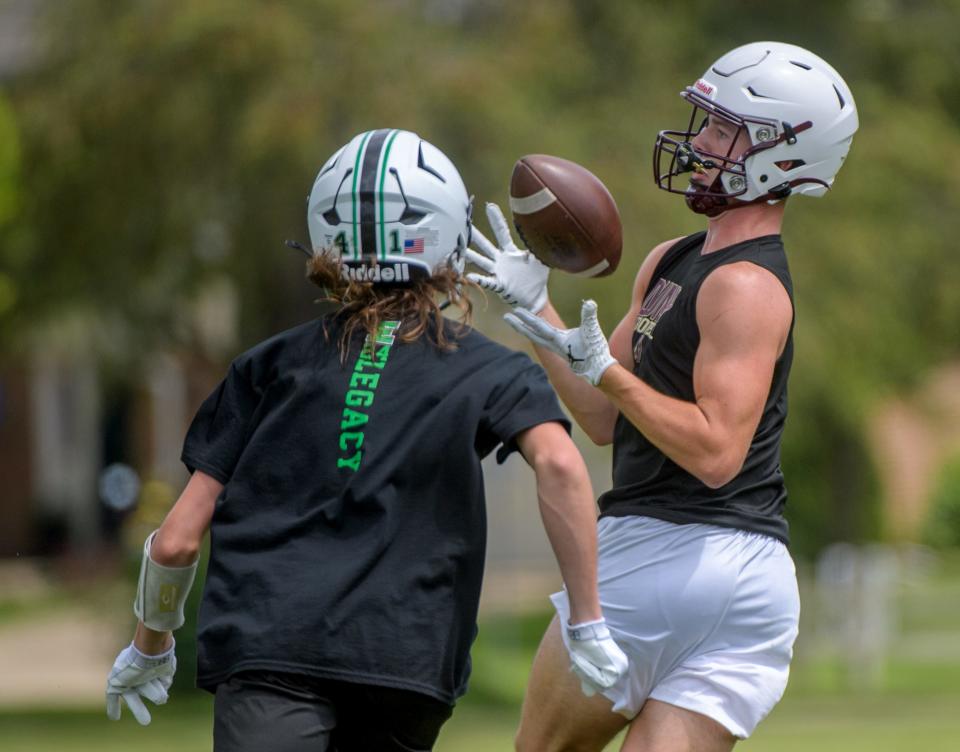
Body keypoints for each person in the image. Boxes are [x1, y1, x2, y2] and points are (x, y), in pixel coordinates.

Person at [105, 128, 628, 752]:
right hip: (403, 659)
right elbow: (563, 469)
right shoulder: (492, 368)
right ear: (448, 236)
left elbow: (176, 541)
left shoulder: (266, 367)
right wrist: (587, 619)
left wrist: (152, 642)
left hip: (270, 652)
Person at [466, 42, 858, 751]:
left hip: (662, 551)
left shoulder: (745, 284)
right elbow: (603, 418)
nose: (699, 141)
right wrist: (540, 315)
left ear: (781, 151)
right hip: (748, 583)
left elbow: (715, 453)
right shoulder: (673, 260)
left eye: (721, 128)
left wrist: (607, 372)